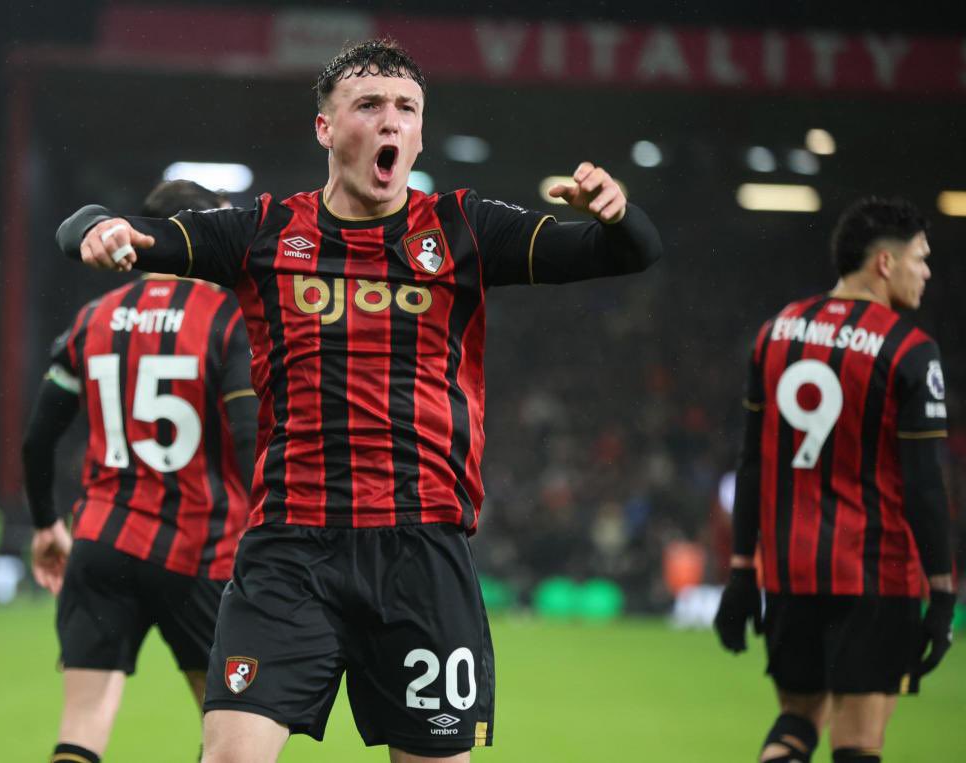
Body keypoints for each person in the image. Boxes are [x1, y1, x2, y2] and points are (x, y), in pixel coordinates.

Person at [56, 39, 662, 762]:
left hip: (420, 550)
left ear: (420, 133)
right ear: (325, 127)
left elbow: (630, 251)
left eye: (407, 108)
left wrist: (616, 212)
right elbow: (107, 227)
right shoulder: (263, 233)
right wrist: (98, 228)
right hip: (289, 549)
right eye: (369, 105)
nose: (390, 120)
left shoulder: (464, 229)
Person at [714, 197, 957, 763]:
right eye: (920, 258)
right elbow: (925, 485)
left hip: (792, 574)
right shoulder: (911, 351)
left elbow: (752, 463)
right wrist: (944, 593)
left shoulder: (776, 331)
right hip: (875, 575)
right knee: (858, 744)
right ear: (884, 263)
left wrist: (742, 571)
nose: (926, 272)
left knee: (796, 724)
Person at [24, 180, 257, 763]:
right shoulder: (226, 319)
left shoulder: (93, 318)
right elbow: (251, 438)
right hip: (200, 552)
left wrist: (47, 523)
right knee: (230, 736)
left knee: (81, 729)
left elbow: (37, 440)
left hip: (101, 544)